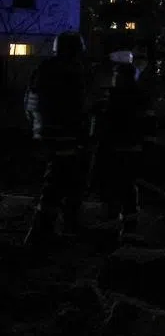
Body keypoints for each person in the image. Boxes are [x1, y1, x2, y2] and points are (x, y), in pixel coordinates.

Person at [23, 31, 94, 247]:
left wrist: (39, 130)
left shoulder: (43, 70)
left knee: (59, 178)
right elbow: (79, 107)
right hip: (68, 136)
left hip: (49, 135)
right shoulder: (73, 73)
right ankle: (46, 232)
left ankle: (48, 230)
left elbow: (30, 102)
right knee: (65, 181)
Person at [91, 50, 157, 241]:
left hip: (113, 150)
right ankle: (127, 226)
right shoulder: (140, 99)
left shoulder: (109, 100)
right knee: (126, 187)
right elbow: (150, 126)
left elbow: (98, 127)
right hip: (129, 150)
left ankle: (117, 222)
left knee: (113, 185)